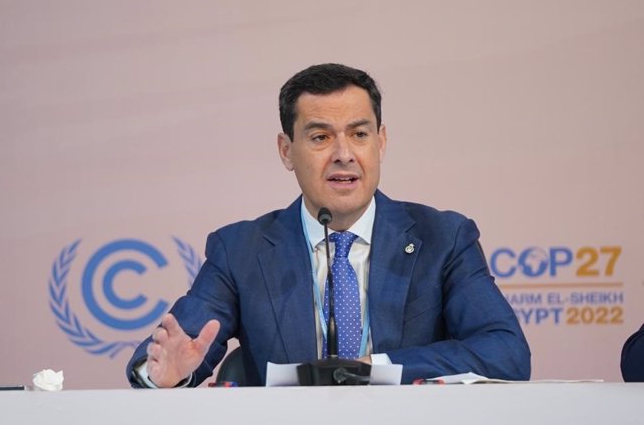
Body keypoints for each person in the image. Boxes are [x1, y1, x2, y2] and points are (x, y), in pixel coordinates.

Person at [126, 63, 531, 387]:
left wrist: (374, 368)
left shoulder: (443, 238)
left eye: (359, 134)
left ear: (381, 143)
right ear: (287, 151)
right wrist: (165, 375)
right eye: (320, 137)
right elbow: (170, 352)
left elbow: (505, 352)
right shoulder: (241, 250)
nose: (343, 154)